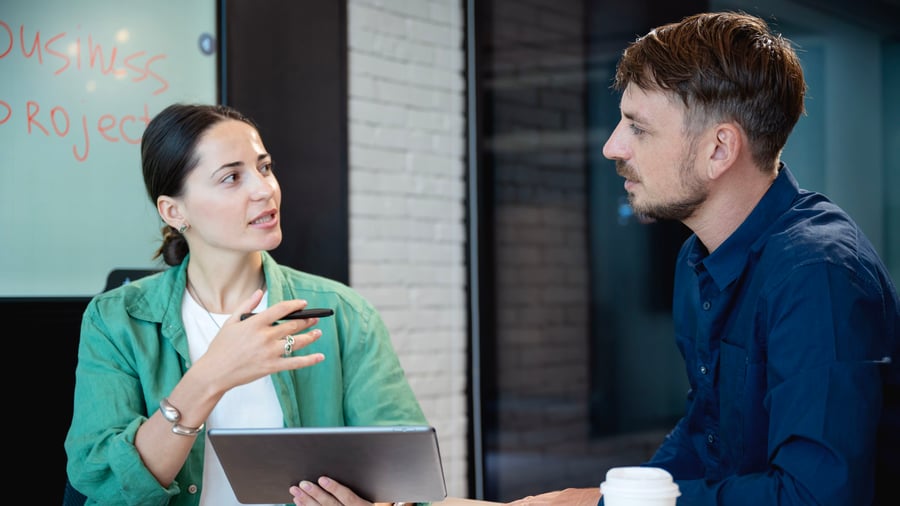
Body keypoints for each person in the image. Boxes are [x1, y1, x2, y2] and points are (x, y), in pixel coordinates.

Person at [499, 10, 899, 506]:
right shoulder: (698, 257)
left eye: (638, 128)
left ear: (718, 149)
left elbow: (813, 498)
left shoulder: (818, 275)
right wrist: (609, 499)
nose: (612, 147)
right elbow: (705, 432)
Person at [64, 103, 428, 506]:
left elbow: (408, 475)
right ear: (174, 211)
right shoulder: (117, 320)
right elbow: (103, 484)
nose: (264, 189)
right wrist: (212, 375)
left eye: (264, 167)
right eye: (231, 177)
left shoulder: (345, 314)